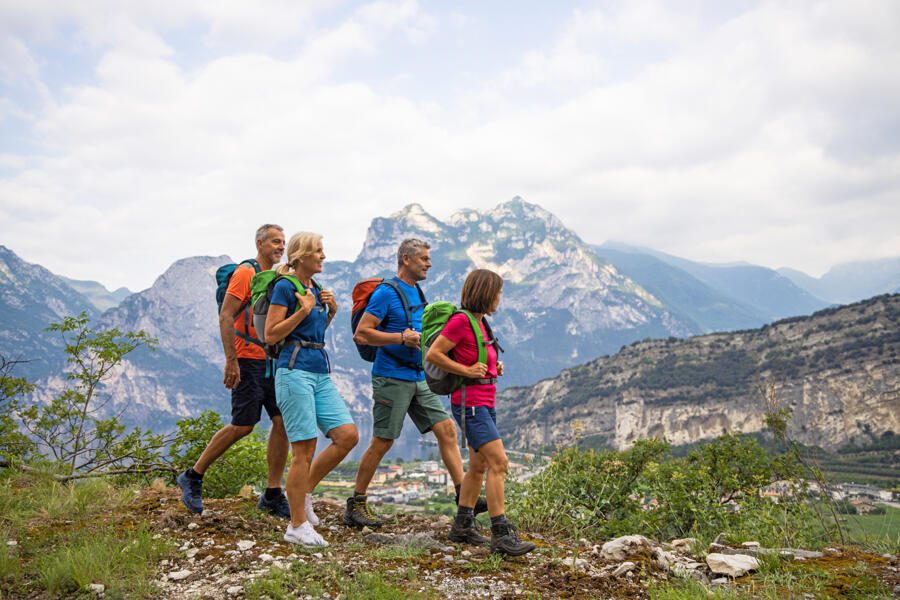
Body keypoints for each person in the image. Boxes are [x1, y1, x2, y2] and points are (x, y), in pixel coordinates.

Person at [346, 238, 486, 531]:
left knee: (446, 430)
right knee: (383, 440)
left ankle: (464, 497)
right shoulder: (386, 293)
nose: (429, 263)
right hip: (391, 377)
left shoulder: (416, 291)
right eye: (423, 258)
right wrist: (401, 338)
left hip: (418, 376)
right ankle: (356, 503)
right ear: (406, 259)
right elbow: (362, 334)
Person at [177, 224, 291, 517]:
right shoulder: (245, 273)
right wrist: (232, 360)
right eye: (275, 242)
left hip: (271, 360)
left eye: (283, 242)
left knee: (282, 422)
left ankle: (273, 493)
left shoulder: (276, 276)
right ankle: (193, 476)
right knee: (243, 425)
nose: (281, 247)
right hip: (247, 358)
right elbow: (226, 316)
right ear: (260, 243)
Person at [426, 269, 535, 556]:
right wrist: (465, 370)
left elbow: (475, 357)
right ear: (486, 293)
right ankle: (501, 534)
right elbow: (434, 354)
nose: (500, 298)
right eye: (498, 292)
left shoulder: (480, 323)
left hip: (484, 402)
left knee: (478, 466)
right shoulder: (461, 321)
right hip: (471, 405)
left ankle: (462, 525)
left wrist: (492, 367)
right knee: (499, 463)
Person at [265, 231, 359, 546]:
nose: (323, 256)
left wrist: (329, 313)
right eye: (318, 251)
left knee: (347, 436)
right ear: (301, 256)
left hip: (319, 371)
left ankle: (303, 493)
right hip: (294, 373)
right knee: (304, 449)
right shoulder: (285, 287)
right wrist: (303, 310)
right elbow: (271, 335)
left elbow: (312, 334)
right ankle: (297, 526)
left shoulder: (315, 288)